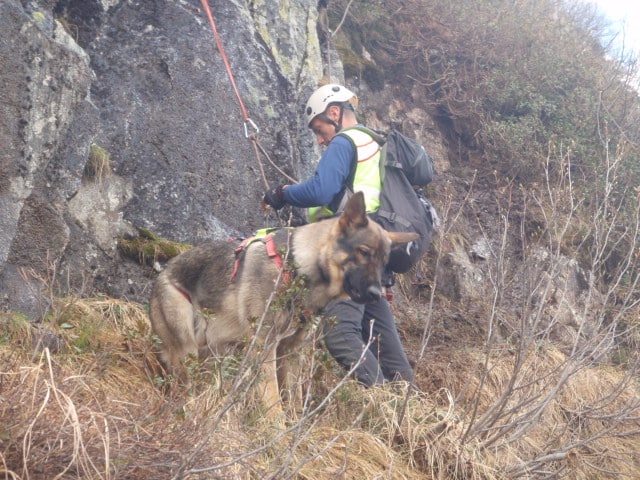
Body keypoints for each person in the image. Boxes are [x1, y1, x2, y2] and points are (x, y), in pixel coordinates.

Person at [262, 84, 414, 386]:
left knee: (342, 336)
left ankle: (384, 406)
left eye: (320, 130)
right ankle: (412, 412)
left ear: (334, 113)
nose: (320, 140)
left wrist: (282, 193)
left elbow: (322, 189)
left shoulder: (345, 142)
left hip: (350, 257)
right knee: (384, 346)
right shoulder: (376, 143)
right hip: (375, 257)